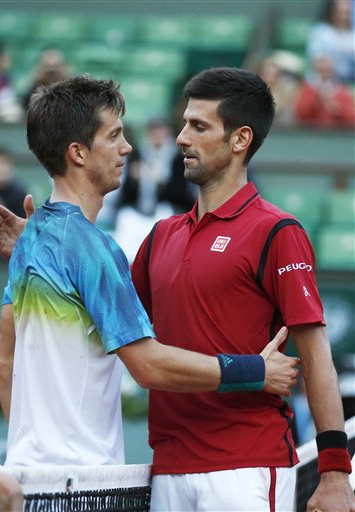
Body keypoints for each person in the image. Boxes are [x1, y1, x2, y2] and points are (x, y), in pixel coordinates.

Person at [0, 76, 298, 470]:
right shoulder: (93, 249)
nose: (127, 147)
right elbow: (147, 365)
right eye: (114, 135)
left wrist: (29, 449)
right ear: (78, 153)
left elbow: (3, 366)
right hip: (81, 481)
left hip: (25, 475)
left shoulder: (32, 243)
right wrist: (256, 369)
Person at [129, 68, 354, 511]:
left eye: (198, 126)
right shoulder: (159, 236)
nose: (180, 138)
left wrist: (334, 473)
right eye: (183, 124)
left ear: (239, 139)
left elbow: (315, 355)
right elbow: (110, 324)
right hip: (168, 471)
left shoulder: (277, 230)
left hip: (246, 469)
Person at [306, 0, 355, 84]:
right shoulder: (321, 31)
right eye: (340, 11)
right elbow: (318, 62)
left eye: (347, 11)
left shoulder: (352, 34)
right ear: (332, 10)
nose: (345, 13)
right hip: (327, 83)